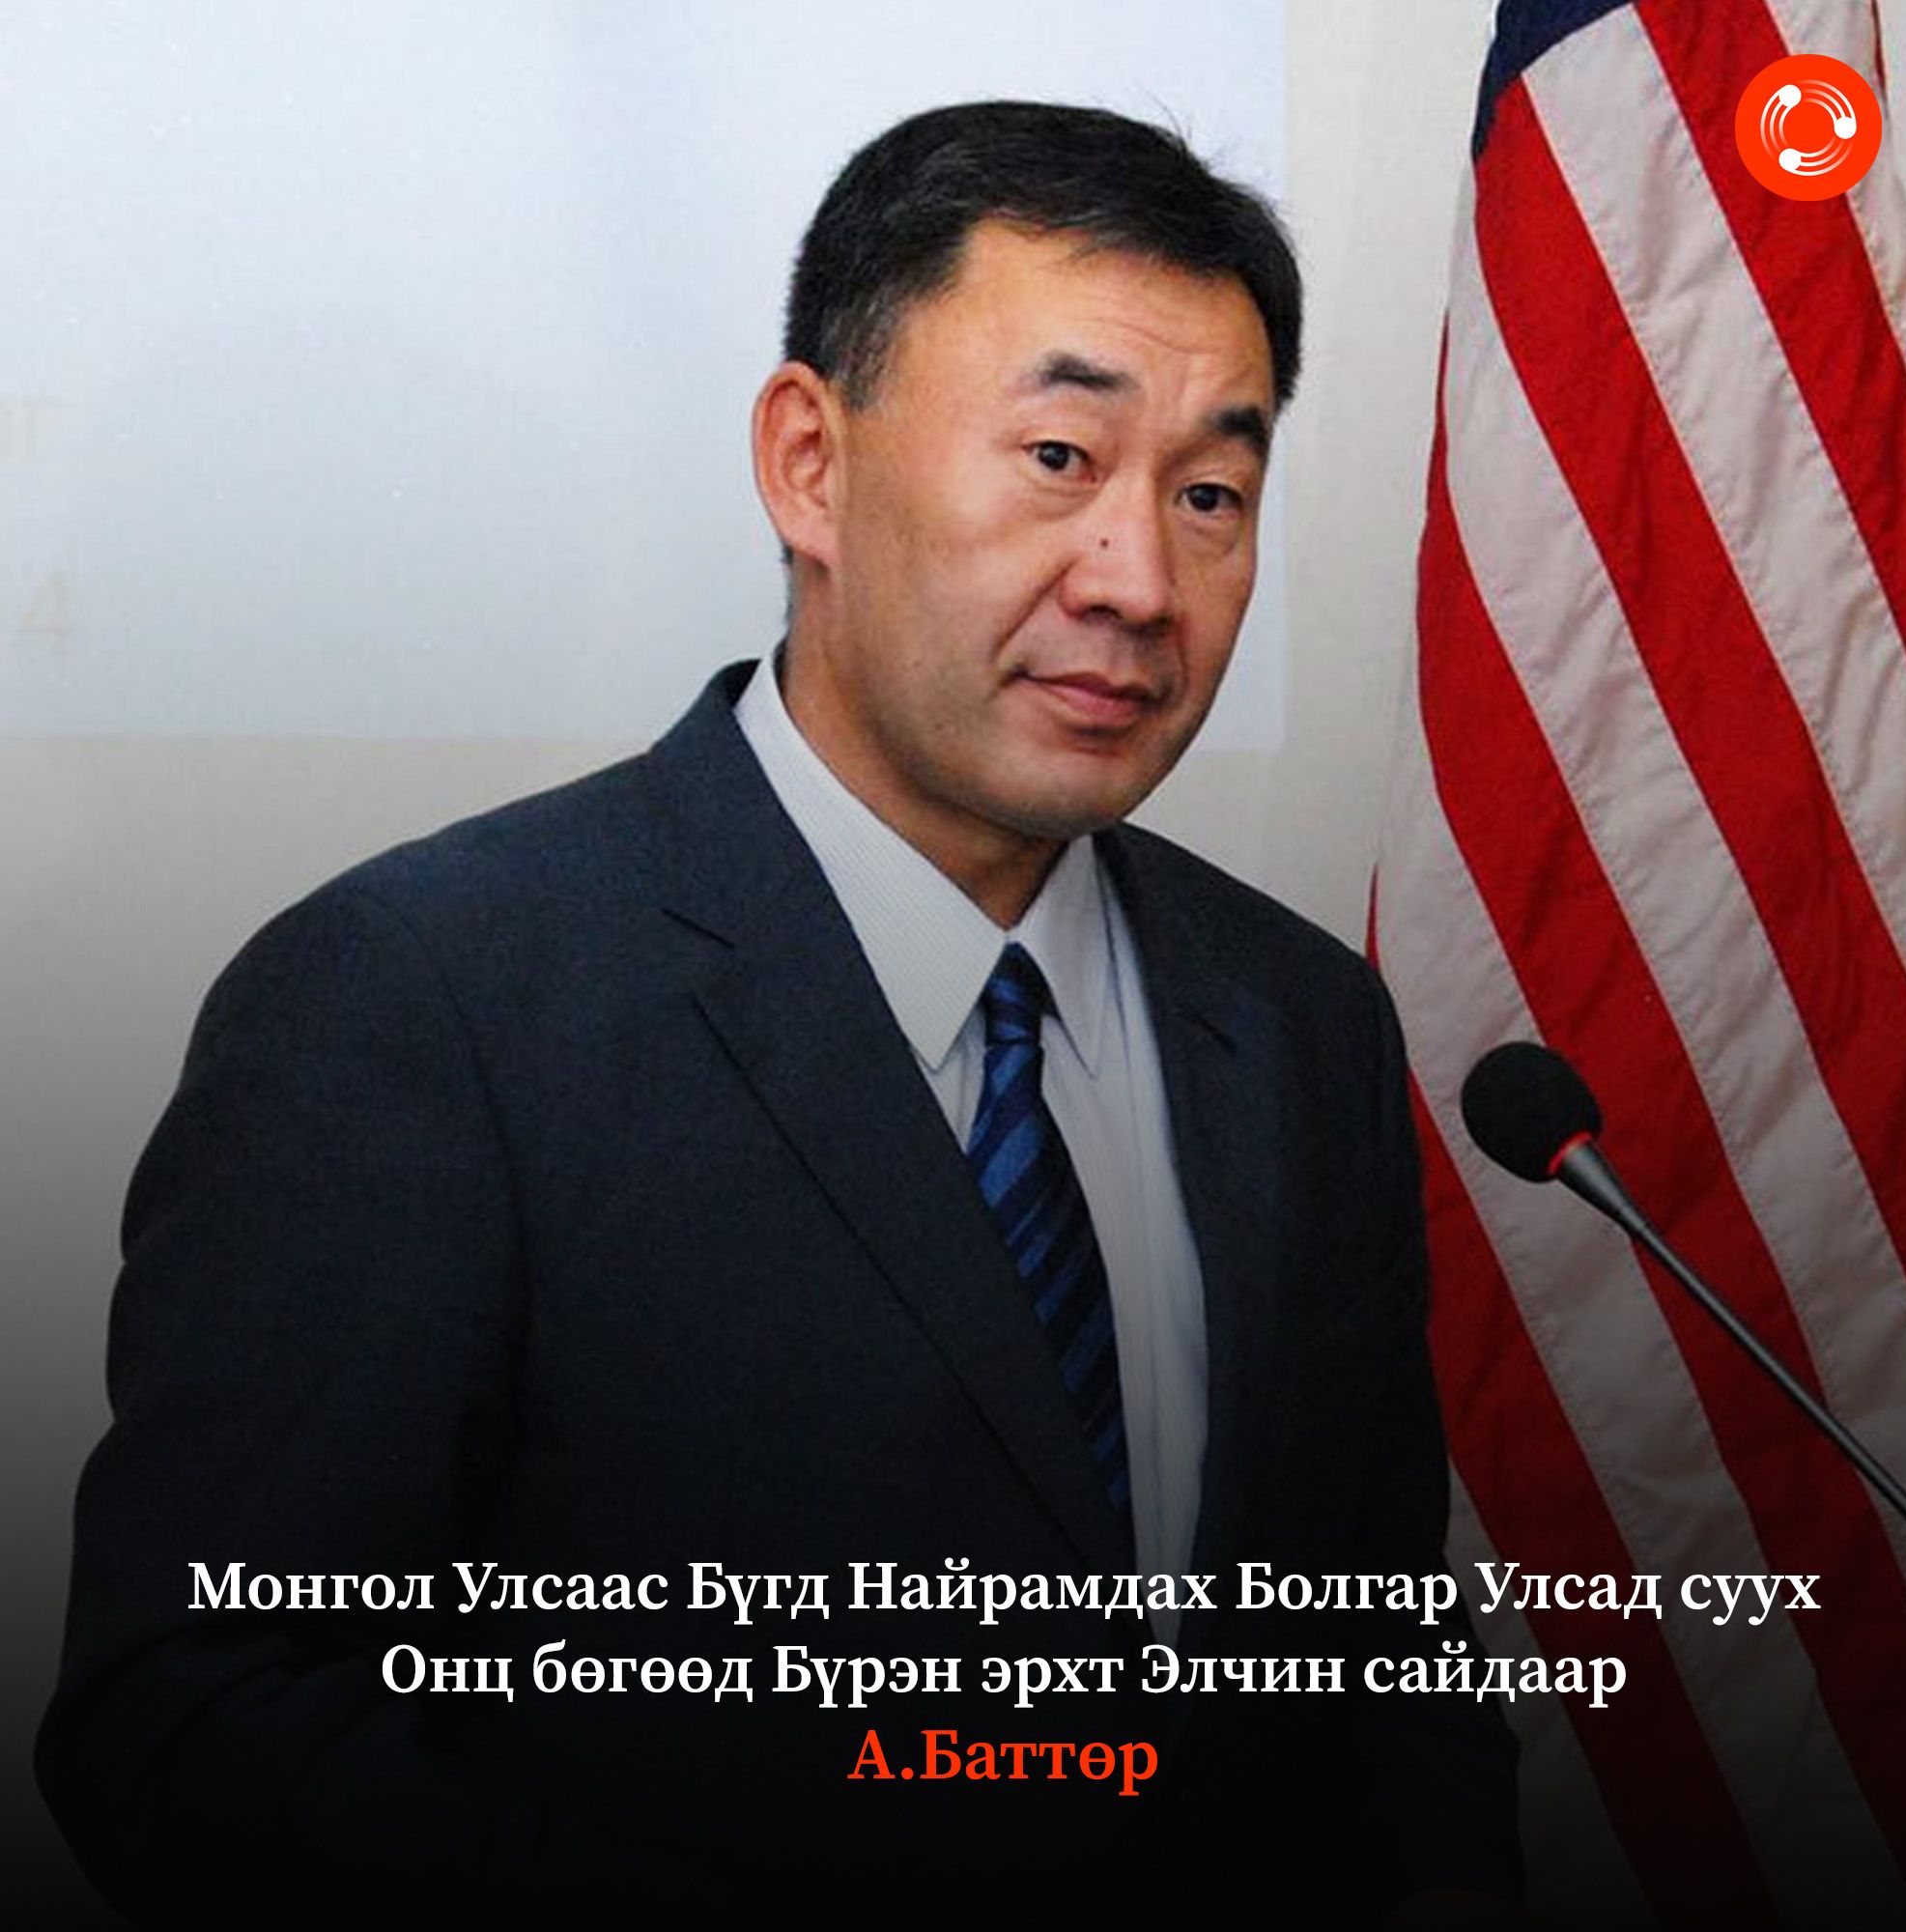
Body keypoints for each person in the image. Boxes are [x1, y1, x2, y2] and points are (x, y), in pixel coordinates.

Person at [40, 101, 1521, 1924]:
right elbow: (202, 1722)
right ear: (810, 464)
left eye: (1210, 494)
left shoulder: (1296, 1021)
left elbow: (1377, 1666)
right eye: (1060, 455)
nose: (1140, 581)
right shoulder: (421, 1000)